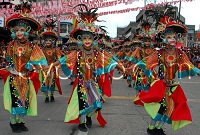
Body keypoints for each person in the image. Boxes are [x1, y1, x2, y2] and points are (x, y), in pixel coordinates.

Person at [45, 4, 126, 133]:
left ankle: (88, 116)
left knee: (96, 103)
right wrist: (52, 65)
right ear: (80, 39)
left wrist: (120, 66)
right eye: (84, 38)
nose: (87, 40)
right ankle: (82, 123)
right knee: (83, 103)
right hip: (81, 82)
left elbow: (109, 61)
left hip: (93, 82)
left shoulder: (97, 53)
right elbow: (63, 60)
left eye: (90, 38)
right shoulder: (77, 54)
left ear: (94, 40)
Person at [133, 15, 200, 135]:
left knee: (171, 109)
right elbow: (147, 62)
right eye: (169, 37)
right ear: (163, 38)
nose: (172, 39)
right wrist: (134, 66)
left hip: (172, 85)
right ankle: (151, 128)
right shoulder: (159, 53)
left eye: (174, 37)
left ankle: (158, 128)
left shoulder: (180, 53)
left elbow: (188, 64)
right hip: (161, 84)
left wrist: (196, 69)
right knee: (160, 108)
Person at [2, 2, 47, 133]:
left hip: (26, 78)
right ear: (13, 32)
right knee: (15, 101)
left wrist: (32, 65)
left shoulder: (33, 47)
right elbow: (8, 60)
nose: (19, 32)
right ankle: (13, 122)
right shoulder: (11, 45)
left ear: (27, 31)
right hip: (15, 78)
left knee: (24, 101)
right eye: (16, 30)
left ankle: (21, 122)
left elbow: (40, 61)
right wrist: (11, 68)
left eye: (22, 30)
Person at [40, 19, 63, 103]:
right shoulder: (42, 50)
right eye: (46, 40)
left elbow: (61, 58)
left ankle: (52, 95)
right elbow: (38, 59)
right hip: (44, 68)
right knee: (44, 83)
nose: (48, 42)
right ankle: (46, 96)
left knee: (52, 83)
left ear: (53, 41)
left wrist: (56, 64)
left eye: (50, 40)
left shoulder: (55, 49)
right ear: (44, 41)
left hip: (52, 68)